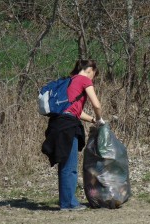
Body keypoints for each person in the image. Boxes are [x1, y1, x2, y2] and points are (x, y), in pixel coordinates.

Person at [42, 59, 105, 211]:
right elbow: (96, 104)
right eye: (94, 75)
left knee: (65, 164)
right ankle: (68, 203)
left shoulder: (70, 81)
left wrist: (91, 120)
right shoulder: (84, 79)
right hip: (68, 126)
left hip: (58, 123)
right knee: (70, 166)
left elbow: (74, 109)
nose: (93, 79)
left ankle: (66, 201)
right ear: (90, 69)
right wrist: (99, 118)